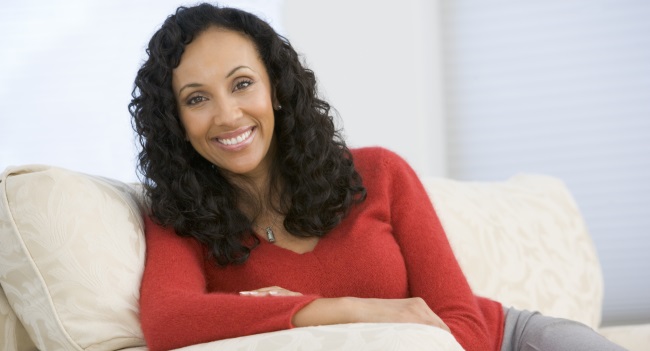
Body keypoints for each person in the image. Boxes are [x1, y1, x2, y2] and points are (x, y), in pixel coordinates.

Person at [129, 3, 627, 351]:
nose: (228, 114)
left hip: (505, 341)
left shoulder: (378, 172)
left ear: (275, 89)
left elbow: (465, 326)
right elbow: (169, 322)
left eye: (242, 84)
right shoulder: (179, 215)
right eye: (197, 98)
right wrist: (341, 309)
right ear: (175, 121)